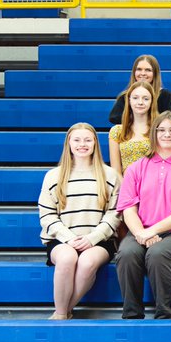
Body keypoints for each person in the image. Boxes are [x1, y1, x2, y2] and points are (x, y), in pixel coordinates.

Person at [115, 113, 171, 319]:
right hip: (141, 230)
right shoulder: (136, 167)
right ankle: (131, 315)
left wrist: (151, 232)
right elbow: (128, 207)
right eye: (161, 130)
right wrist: (140, 233)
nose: (167, 134)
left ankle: (164, 316)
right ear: (153, 133)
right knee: (127, 253)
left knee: (158, 253)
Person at [38, 123, 120, 320]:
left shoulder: (109, 174)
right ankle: (61, 314)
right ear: (68, 143)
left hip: (99, 241)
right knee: (67, 258)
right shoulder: (53, 176)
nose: (82, 144)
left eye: (87, 140)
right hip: (62, 240)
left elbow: (115, 213)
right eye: (77, 140)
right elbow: (47, 215)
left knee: (86, 261)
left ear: (95, 144)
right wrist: (69, 238)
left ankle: (63, 311)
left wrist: (93, 238)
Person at [107, 54, 171, 126]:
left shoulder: (166, 96)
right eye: (139, 69)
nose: (143, 73)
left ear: (155, 73)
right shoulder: (125, 96)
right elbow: (114, 117)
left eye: (148, 70)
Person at [109, 81, 157, 176]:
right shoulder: (117, 131)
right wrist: (127, 189)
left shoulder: (159, 129)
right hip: (126, 186)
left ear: (152, 102)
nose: (140, 102)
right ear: (129, 100)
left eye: (146, 99)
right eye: (135, 98)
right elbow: (116, 172)